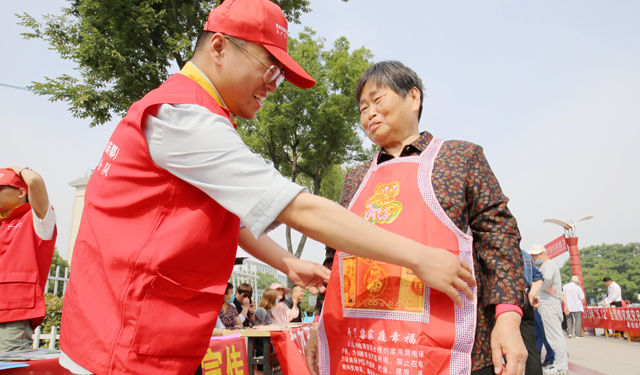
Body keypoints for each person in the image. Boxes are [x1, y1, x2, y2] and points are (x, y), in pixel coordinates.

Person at [58, 2, 475, 374]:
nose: (273, 86)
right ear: (218, 48)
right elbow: (301, 209)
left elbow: (226, 220)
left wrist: (286, 262)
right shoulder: (185, 117)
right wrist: (418, 257)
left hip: (137, 335)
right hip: (122, 345)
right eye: (269, 68)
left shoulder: (191, 112)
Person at [306, 61, 527, 375]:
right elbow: (336, 260)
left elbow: (499, 238)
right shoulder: (354, 180)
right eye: (362, 107)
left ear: (413, 98)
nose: (368, 112)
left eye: (377, 100)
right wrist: (319, 324)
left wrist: (507, 319)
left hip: (453, 350)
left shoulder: (460, 158)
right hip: (368, 351)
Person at [0, 167, 56, 352]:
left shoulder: (36, 218)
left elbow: (34, 181)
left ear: (21, 192)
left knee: (10, 369)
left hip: (13, 315)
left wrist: (17, 169)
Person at [528, 245, 569, 375]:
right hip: (548, 303)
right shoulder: (547, 265)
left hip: (549, 304)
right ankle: (559, 364)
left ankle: (561, 366)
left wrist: (539, 288)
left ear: (542, 253)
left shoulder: (548, 265)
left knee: (555, 336)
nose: (534, 258)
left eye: (535, 255)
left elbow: (545, 279)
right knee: (554, 336)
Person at [521, 249, 544, 375]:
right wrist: (531, 294)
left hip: (503, 301)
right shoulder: (525, 255)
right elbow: (538, 277)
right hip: (525, 298)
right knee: (531, 347)